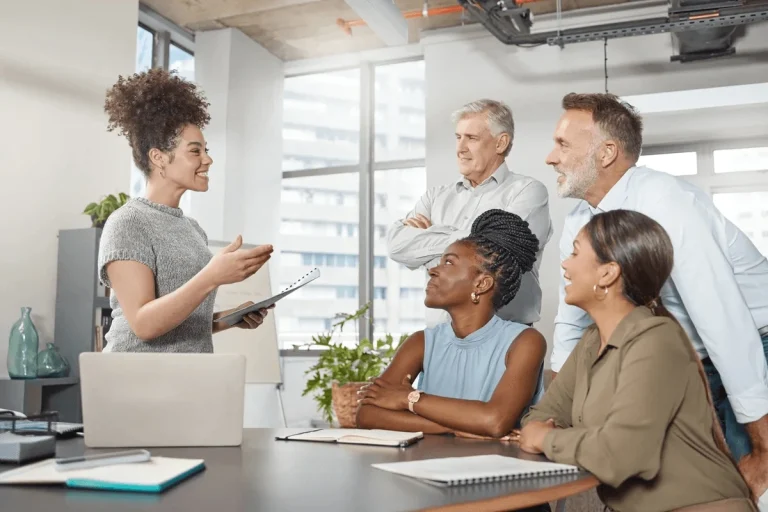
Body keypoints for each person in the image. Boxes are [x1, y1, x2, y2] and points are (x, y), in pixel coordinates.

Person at [545, 92, 768, 498]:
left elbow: (723, 321)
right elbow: (569, 322)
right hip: (687, 356)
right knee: (684, 485)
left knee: (745, 486)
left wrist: (763, 449)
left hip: (752, 343)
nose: (550, 157)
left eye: (562, 144)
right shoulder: (579, 218)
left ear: (607, 152)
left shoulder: (665, 203)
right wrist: (553, 417)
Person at [518, 209, 755, 512]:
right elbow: (539, 417)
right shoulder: (591, 341)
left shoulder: (657, 340)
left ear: (608, 273)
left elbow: (620, 455)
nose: (564, 264)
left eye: (575, 253)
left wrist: (549, 438)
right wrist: (564, 436)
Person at [98, 68, 273, 353]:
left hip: (188, 376)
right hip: (134, 380)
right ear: (158, 157)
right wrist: (212, 275)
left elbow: (179, 323)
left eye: (206, 149)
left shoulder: (193, 230)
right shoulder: (127, 223)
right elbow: (144, 324)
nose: (208, 159)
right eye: (195, 151)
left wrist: (229, 319)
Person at [357, 209, 546, 439]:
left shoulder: (525, 342)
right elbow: (366, 415)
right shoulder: (421, 342)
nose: (432, 270)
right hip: (426, 466)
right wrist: (455, 428)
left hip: (496, 469)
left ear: (482, 284)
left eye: (448, 262)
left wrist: (409, 398)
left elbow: (495, 421)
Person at [387, 99, 552, 328]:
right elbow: (396, 245)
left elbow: (497, 255)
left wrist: (429, 239)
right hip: (440, 339)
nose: (460, 148)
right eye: (458, 137)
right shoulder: (436, 197)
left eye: (471, 138)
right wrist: (473, 239)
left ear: (500, 143)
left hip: (505, 339)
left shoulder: (528, 192)